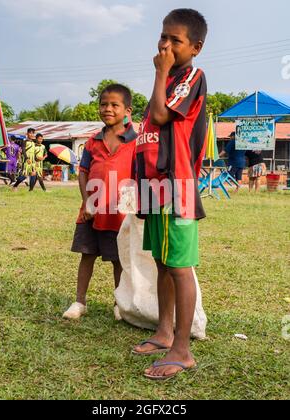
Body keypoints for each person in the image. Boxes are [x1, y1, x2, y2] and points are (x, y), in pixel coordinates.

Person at [134, 8, 208, 380]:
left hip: (177, 186)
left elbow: (163, 118)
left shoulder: (191, 76)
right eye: (162, 37)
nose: (164, 44)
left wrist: (160, 72)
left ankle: (182, 348)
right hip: (153, 186)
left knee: (179, 266)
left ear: (195, 47)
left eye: (174, 40)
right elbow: (148, 135)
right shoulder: (164, 82)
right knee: (162, 262)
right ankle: (164, 332)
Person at [63, 84, 137, 320]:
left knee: (119, 259)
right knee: (87, 254)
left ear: (128, 110)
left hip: (120, 212)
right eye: (104, 104)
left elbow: (138, 176)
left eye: (115, 105)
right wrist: (87, 203)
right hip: (92, 211)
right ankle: (79, 302)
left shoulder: (136, 141)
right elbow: (83, 171)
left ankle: (119, 304)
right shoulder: (93, 141)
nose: (108, 109)